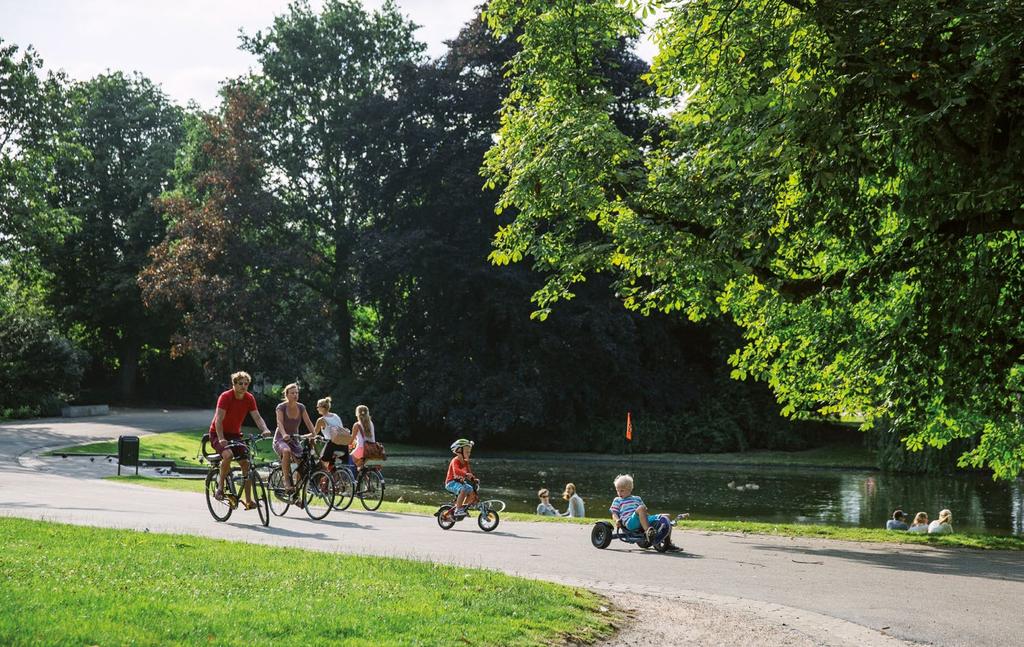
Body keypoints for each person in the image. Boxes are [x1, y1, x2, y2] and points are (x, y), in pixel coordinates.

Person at [209, 371, 272, 509]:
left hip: (235, 435)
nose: (244, 386)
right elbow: (219, 419)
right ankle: (220, 488)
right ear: (234, 384)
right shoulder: (226, 397)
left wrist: (265, 429)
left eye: (246, 384)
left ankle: (248, 501)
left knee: (246, 463)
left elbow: (257, 417)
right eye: (240, 383)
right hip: (218, 433)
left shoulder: (249, 398)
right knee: (228, 455)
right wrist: (221, 438)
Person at [609, 474, 680, 551]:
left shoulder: (637, 498)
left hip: (642, 519)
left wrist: (653, 518)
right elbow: (614, 513)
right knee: (641, 508)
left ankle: (668, 543)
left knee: (666, 516)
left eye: (622, 490)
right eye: (617, 490)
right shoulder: (617, 500)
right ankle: (648, 532)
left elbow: (644, 512)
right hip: (630, 522)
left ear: (630, 489)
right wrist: (617, 520)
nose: (619, 493)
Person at [273, 383, 316, 492]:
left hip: (294, 440)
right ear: (286, 395)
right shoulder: (281, 407)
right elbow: (279, 423)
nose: (295, 395)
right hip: (280, 439)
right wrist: (284, 434)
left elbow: (308, 422)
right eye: (292, 393)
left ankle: (296, 490)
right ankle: (286, 481)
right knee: (286, 451)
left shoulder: (301, 407)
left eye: (296, 393)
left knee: (304, 463)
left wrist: (314, 434)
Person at [313, 396, 352, 476]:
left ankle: (321, 481)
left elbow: (313, 433)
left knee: (321, 462)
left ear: (323, 408)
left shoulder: (321, 420)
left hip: (332, 446)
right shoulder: (336, 416)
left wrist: (303, 436)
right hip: (344, 447)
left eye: (318, 407)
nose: (317, 408)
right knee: (331, 464)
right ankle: (334, 482)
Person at [445, 438, 478, 519]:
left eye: (469, 452)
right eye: (467, 452)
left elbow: (469, 472)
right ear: (459, 451)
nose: (469, 454)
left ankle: (463, 508)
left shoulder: (465, 462)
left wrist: (474, 478)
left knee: (471, 490)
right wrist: (466, 474)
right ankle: (458, 510)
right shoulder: (455, 460)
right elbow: (456, 471)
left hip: (460, 483)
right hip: (451, 483)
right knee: (463, 489)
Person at [350, 404, 376, 469]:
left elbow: (351, 440)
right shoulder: (371, 423)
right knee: (359, 466)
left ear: (357, 414)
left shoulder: (357, 425)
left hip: (362, 449)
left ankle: (353, 478)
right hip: (372, 449)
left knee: (349, 461)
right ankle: (363, 475)